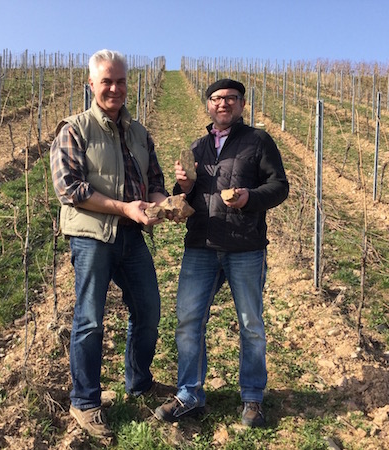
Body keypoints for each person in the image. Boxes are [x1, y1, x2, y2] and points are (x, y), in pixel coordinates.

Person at [154, 78, 289, 428]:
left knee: (251, 325)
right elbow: (184, 195)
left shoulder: (258, 141)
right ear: (208, 105)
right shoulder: (197, 147)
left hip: (245, 246)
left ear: (242, 105)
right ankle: (190, 394)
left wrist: (250, 198)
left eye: (230, 98)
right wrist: (182, 187)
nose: (223, 104)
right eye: (216, 98)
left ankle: (253, 398)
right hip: (201, 245)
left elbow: (279, 186)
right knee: (188, 321)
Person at [50, 49, 170, 439]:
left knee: (149, 311)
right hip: (92, 237)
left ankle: (138, 381)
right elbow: (69, 187)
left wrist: (161, 203)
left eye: (120, 81)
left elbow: (154, 178)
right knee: (89, 321)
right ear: (92, 86)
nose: (115, 88)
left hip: (132, 236)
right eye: (107, 81)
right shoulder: (75, 129)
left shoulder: (139, 133)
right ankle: (85, 401)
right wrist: (123, 207)